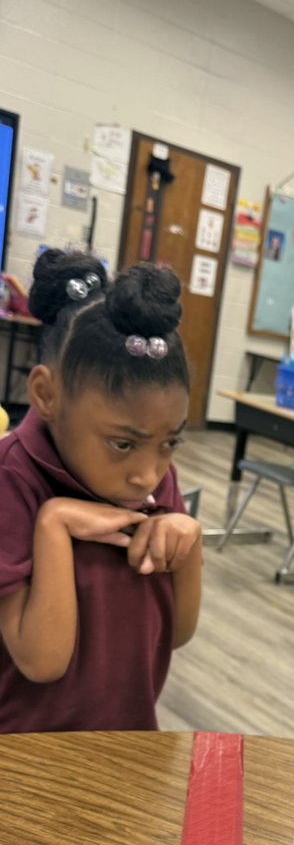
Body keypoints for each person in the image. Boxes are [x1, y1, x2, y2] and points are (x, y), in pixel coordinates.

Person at [0, 249, 202, 733]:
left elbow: (176, 634)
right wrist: (54, 523)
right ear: (46, 395)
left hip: (128, 741)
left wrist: (190, 544)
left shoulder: (155, 477)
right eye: (122, 444)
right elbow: (41, 661)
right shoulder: (12, 478)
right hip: (25, 755)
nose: (147, 475)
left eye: (170, 443)